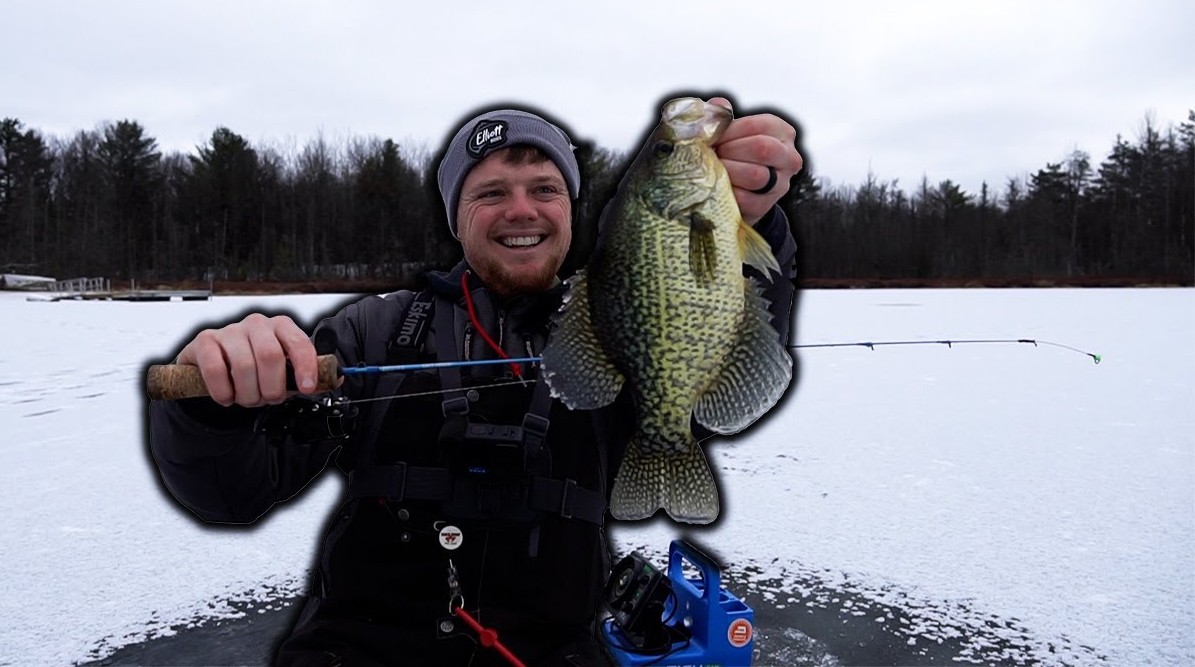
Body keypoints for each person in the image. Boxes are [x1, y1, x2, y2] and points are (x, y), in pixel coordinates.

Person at [147, 96, 803, 667]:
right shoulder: (374, 334)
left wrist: (756, 219)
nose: (522, 210)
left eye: (544, 189)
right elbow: (230, 492)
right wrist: (216, 410)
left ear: (571, 212)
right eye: (491, 193)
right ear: (456, 218)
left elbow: (722, 356)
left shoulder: (613, 321)